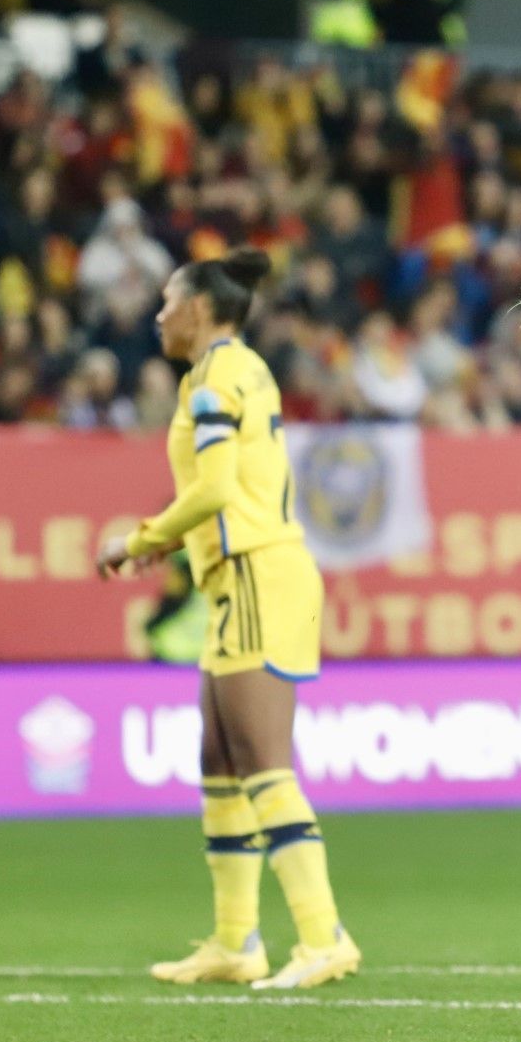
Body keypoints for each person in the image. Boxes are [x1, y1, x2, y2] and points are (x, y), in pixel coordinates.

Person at [94, 248, 358, 990]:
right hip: (236, 576)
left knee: (262, 761)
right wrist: (171, 543)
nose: (158, 314)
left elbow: (212, 487)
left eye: (167, 300)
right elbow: (224, 488)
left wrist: (138, 540)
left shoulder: (217, 377)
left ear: (200, 308)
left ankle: (323, 934)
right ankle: (236, 940)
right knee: (220, 763)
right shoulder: (228, 372)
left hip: (253, 575)